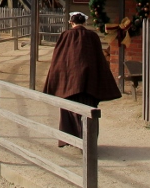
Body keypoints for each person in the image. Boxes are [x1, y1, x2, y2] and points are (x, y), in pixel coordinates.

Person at [43, 11, 122, 145]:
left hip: (70, 82)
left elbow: (59, 59)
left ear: (71, 22)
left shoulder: (65, 35)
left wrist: (57, 79)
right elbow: (99, 59)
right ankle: (88, 142)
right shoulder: (93, 36)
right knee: (89, 111)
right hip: (89, 83)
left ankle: (70, 140)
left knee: (69, 110)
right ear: (84, 22)